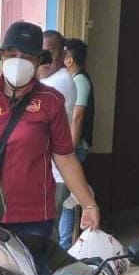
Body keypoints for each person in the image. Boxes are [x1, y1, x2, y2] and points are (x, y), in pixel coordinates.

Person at [0, 21, 98, 275]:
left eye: (27, 56)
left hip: (34, 219)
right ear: (2, 56)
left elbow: (64, 157)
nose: (18, 61)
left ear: (39, 60)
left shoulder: (50, 102)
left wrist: (88, 203)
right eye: (12, 55)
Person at [37, 29, 77, 244]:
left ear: (62, 55)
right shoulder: (51, 80)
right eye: (39, 53)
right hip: (48, 172)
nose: (44, 59)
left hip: (55, 174)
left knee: (45, 234)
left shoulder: (58, 82)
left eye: (49, 53)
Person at [59, 38, 95, 250]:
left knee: (67, 200)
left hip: (74, 149)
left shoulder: (80, 81)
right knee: (66, 199)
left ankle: (63, 246)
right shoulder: (71, 81)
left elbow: (78, 116)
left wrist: (68, 149)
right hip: (69, 149)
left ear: (70, 59)